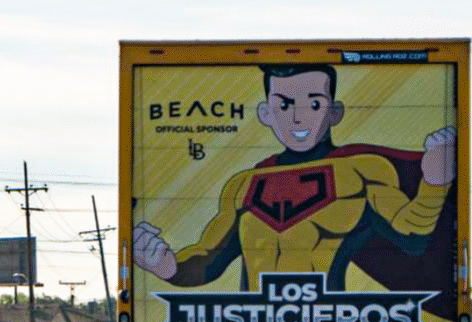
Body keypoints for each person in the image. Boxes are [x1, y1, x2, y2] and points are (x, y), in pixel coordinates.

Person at [134, 63, 456, 295]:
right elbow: (209, 258)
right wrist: (167, 266)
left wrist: (435, 182)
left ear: (334, 112)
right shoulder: (243, 185)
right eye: (284, 105)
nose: (298, 117)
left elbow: (413, 234)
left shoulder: (363, 170)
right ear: (266, 114)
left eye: (314, 103)